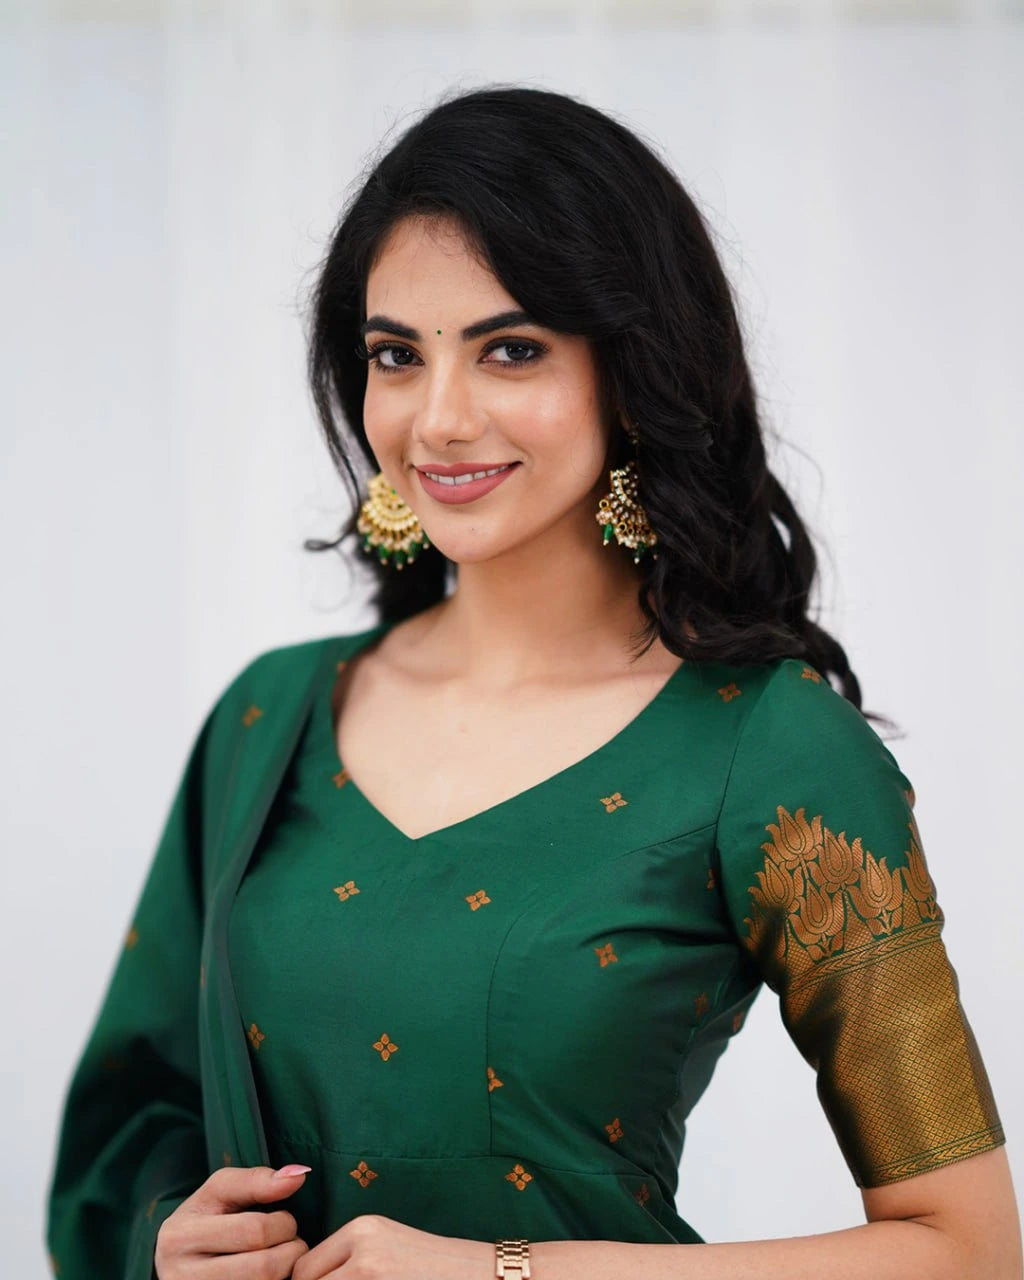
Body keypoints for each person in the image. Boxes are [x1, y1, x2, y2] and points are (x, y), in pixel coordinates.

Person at [46, 85, 1021, 1280]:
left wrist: (506, 1269)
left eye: (511, 349)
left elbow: (966, 1246)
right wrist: (163, 1240)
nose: (438, 417)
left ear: (633, 368)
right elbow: (129, 1126)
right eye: (396, 355)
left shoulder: (771, 748)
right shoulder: (272, 716)